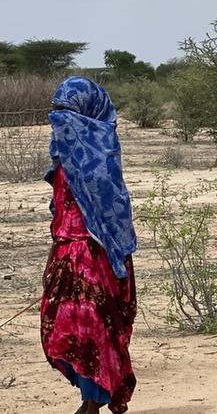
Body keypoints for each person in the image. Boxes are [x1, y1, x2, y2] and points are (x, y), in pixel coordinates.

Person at [40, 77, 137, 414]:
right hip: (66, 251)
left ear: (88, 112)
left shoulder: (102, 156)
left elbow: (115, 209)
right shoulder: (63, 151)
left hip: (95, 254)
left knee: (94, 326)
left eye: (67, 111)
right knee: (66, 329)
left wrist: (114, 253)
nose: (59, 119)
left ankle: (92, 399)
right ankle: (89, 396)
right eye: (56, 111)